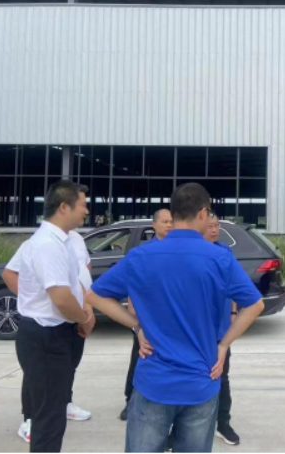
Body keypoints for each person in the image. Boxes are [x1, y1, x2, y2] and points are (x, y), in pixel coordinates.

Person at [86, 183, 264, 454]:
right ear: (202, 213)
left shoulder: (141, 256)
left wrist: (136, 326)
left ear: (174, 212)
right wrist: (224, 344)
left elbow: (95, 296)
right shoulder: (219, 258)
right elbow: (255, 305)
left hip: (154, 382)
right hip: (201, 381)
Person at [10, 181, 95, 454]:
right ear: (63, 207)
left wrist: (85, 310)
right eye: (82, 205)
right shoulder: (48, 245)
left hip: (56, 334)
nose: (86, 211)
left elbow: (73, 285)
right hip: (46, 337)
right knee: (48, 420)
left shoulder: (64, 242)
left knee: (54, 415)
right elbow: (61, 298)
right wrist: (84, 319)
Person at [120, 208, 174, 422]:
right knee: (139, 357)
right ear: (154, 225)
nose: (169, 225)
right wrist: (133, 310)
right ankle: (130, 400)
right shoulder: (143, 252)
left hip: (170, 317)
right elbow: (132, 283)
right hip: (146, 318)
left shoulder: (176, 250)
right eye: (164, 222)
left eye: (171, 222)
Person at [205, 214, 241, 446]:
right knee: (192, 376)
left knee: (222, 375)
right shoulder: (193, 253)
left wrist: (234, 312)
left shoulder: (225, 252)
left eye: (217, 225)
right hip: (197, 327)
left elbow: (234, 286)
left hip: (220, 327)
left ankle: (223, 422)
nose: (214, 229)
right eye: (210, 226)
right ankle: (179, 427)